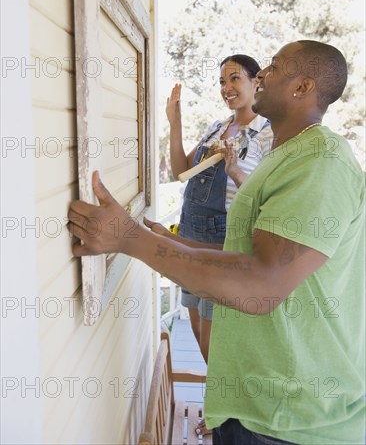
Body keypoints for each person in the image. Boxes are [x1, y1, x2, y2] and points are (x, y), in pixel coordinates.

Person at [68, 40, 365, 445]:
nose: (261, 75)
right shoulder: (285, 155)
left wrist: (130, 238)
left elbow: (262, 285)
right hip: (254, 406)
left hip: (291, 420)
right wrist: (171, 244)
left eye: (273, 69)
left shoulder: (321, 162)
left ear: (302, 88)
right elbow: (247, 254)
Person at [166, 54, 273, 364]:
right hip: (189, 235)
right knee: (199, 332)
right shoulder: (217, 127)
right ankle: (215, 409)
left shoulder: (267, 135)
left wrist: (236, 170)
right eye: (222, 82)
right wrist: (176, 123)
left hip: (224, 242)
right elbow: (181, 170)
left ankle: (224, 411)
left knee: (217, 342)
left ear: (256, 82)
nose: (227, 87)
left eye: (234, 78)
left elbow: (262, 199)